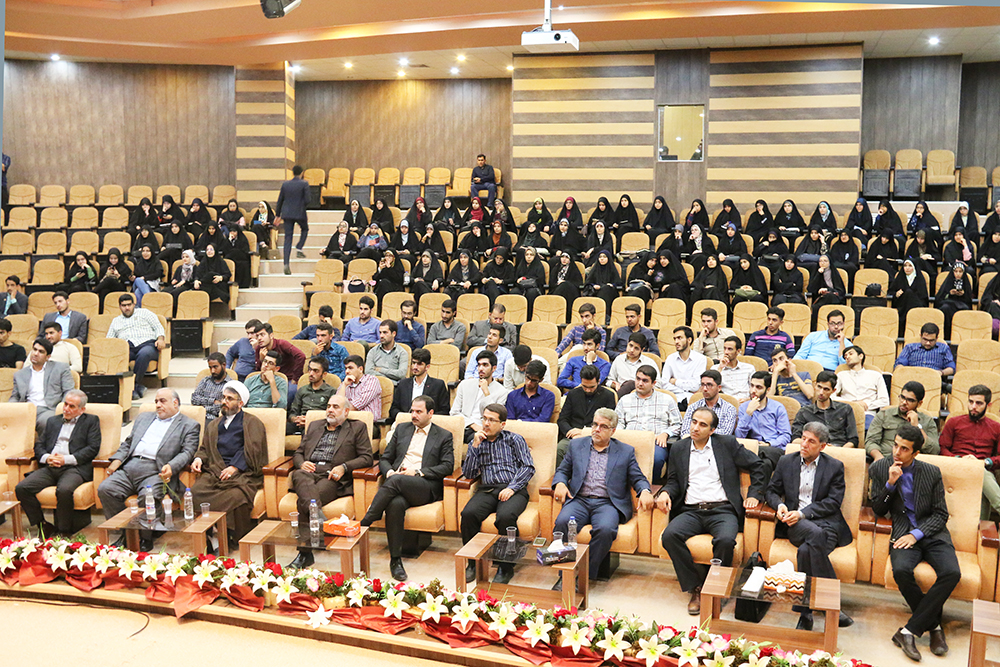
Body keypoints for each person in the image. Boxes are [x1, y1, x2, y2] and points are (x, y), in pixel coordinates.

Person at [658, 407, 765, 615]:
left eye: (702, 425)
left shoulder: (726, 444)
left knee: (725, 541)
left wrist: (754, 494)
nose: (695, 428)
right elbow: (673, 481)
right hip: (691, 510)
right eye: (694, 422)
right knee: (669, 536)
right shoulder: (679, 448)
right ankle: (696, 587)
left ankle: (718, 589)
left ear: (712, 430)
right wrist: (665, 492)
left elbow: (758, 465)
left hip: (722, 510)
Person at [870, 424, 957, 661]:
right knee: (901, 570)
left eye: (904, 449)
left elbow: (940, 514)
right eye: (895, 445)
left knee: (951, 573)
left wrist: (917, 534)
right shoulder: (880, 468)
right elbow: (878, 509)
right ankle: (934, 626)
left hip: (932, 533)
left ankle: (909, 631)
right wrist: (890, 484)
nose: (896, 452)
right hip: (901, 530)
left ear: (916, 453)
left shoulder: (931, 472)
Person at [766, 421, 855, 630]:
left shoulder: (834, 466)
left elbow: (833, 502)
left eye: (811, 441)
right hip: (795, 524)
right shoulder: (786, 461)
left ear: (822, 446)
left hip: (827, 523)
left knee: (807, 550)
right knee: (814, 535)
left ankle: (805, 612)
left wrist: (803, 513)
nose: (804, 444)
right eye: (803, 438)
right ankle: (832, 605)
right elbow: (771, 491)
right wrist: (780, 505)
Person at [360, 395, 454, 581]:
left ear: (430, 413)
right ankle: (395, 560)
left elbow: (447, 466)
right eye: (412, 411)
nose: (414, 415)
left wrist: (417, 472)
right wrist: (389, 472)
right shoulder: (402, 429)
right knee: (395, 504)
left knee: (396, 481)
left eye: (419, 411)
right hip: (397, 483)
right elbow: (385, 458)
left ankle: (369, 518)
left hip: (425, 486)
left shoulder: (444, 435)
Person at [553, 407, 653, 579]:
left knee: (605, 530)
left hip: (607, 503)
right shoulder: (576, 445)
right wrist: (560, 483)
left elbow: (638, 478)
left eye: (603, 426)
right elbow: (563, 470)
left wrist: (644, 490)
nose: (597, 429)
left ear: (613, 430)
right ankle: (565, 576)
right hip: (579, 500)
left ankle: (583, 576)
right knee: (562, 523)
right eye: (594, 424)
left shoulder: (625, 451)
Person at [97, 389, 200, 551]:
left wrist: (171, 466)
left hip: (156, 470)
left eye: (162, 401)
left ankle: (145, 537)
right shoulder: (144, 418)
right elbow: (128, 442)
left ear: (175, 403)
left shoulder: (189, 425)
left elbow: (187, 452)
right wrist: (116, 460)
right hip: (130, 466)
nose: (158, 405)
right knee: (106, 489)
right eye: (156, 401)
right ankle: (126, 533)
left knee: (148, 496)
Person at [287, 395, 373, 568]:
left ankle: (304, 554)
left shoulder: (357, 427)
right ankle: (319, 518)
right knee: (299, 475)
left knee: (304, 500)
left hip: (331, 476)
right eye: (328, 406)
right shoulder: (314, 426)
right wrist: (302, 463)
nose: (330, 410)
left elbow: (367, 457)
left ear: (346, 411)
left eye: (335, 407)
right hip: (308, 472)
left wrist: (344, 467)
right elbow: (298, 453)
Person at [459, 403, 534, 584]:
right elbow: (468, 473)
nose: (486, 423)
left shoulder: (514, 439)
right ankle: (472, 562)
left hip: (514, 489)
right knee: (468, 514)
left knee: (505, 517)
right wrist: (474, 447)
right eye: (484, 419)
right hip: (487, 489)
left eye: (492, 420)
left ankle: (505, 567)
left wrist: (512, 487)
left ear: (502, 424)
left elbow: (528, 467)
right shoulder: (477, 442)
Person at [190, 381, 269, 549]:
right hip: (215, 470)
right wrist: (199, 459)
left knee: (236, 496)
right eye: (223, 398)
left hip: (242, 472)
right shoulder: (214, 424)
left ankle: (231, 536)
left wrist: (235, 467)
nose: (224, 402)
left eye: (230, 399)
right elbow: (204, 448)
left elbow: (253, 449)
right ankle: (208, 534)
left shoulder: (252, 423)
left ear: (240, 403)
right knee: (195, 492)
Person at [15, 389, 101, 537]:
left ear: (82, 410)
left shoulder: (91, 421)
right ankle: (42, 525)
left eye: (72, 406)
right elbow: (39, 445)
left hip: (74, 468)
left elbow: (92, 448)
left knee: (64, 490)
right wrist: (47, 457)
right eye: (65, 404)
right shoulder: (52, 421)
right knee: (22, 488)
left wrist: (66, 459)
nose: (66, 409)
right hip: (51, 466)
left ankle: (64, 531)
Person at [939, 384, 1000, 518]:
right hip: (956, 466)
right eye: (971, 402)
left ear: (988, 405)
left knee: (981, 474)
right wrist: (959, 460)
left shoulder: (996, 427)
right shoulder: (954, 422)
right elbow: (943, 448)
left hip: (981, 468)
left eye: (979, 403)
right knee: (982, 475)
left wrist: (985, 462)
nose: (973, 407)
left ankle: (979, 527)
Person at [615, 364, 681, 483]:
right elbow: (617, 423)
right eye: (638, 379)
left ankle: (651, 486)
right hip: (629, 441)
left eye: (645, 381)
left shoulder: (667, 400)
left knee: (656, 459)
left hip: (655, 442)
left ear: (653, 383)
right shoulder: (625, 400)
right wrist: (622, 436)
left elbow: (678, 424)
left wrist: (666, 433)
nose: (640, 383)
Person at [10, 337, 75, 434]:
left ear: (48, 356)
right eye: (34, 349)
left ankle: (43, 444)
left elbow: (69, 391)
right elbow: (15, 396)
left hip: (49, 409)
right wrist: (9, 408)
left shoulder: (60, 368)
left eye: (41, 352)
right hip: (26, 409)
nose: (35, 354)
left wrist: (62, 408)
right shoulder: (20, 374)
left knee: (47, 421)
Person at [557, 364, 618, 466]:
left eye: (592, 387)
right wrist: (571, 432)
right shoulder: (573, 394)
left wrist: (584, 432)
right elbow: (562, 419)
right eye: (584, 386)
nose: (588, 390)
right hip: (573, 436)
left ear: (599, 381)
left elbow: (609, 423)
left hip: (597, 436)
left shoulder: (608, 396)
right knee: (560, 449)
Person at [866, 380, 940, 461]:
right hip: (886, 459)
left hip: (914, 463)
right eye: (902, 397)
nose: (904, 402)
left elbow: (934, 450)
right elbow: (870, 442)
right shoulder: (883, 415)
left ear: (919, 403)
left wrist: (917, 427)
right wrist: (878, 457)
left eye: (910, 400)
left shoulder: (928, 421)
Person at [737, 371, 791, 480]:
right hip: (753, 450)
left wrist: (769, 444)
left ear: (768, 389)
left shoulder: (778, 408)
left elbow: (786, 436)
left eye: (758, 387)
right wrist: (748, 414)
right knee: (765, 464)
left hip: (774, 449)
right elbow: (739, 437)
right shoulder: (744, 408)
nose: (753, 390)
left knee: (762, 454)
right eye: (752, 386)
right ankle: (761, 491)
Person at [451, 350, 507, 442]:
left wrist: (486, 393)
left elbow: (494, 416)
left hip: (484, 429)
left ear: (494, 368)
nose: (481, 368)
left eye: (485, 365)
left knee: (479, 438)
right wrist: (472, 425)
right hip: (462, 426)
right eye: (479, 365)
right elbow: (454, 412)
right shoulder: (464, 384)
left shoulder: (502, 392)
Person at [791, 370, 858, 447]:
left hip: (839, 448)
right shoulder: (804, 412)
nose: (821, 392)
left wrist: (840, 451)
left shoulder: (845, 409)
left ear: (833, 391)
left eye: (826, 389)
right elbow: (795, 439)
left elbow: (853, 439)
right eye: (819, 387)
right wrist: (817, 446)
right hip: (813, 449)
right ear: (815, 386)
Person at [389, 347, 449, 422]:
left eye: (419, 364)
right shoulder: (403, 384)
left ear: (427, 367)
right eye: (413, 363)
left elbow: (444, 410)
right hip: (405, 422)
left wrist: (426, 418)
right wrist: (405, 418)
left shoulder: (438, 385)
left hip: (428, 423)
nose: (415, 367)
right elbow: (393, 409)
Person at [835, 345, 889, 428]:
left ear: (860, 356)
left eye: (850, 354)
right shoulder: (841, 375)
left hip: (867, 413)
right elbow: (832, 396)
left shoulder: (875, 375)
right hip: (845, 412)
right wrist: (853, 404)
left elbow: (884, 400)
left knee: (869, 428)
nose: (847, 357)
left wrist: (865, 405)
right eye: (845, 356)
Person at [660, 326, 708, 407]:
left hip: (692, 401)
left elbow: (695, 385)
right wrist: (684, 391)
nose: (676, 342)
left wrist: (675, 382)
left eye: (679, 338)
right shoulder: (670, 358)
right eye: (675, 339)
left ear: (689, 340)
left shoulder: (700, 359)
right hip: (673, 399)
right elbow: (664, 384)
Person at [275, 165, 311, 274]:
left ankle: (286, 263)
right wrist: (302, 205)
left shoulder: (285, 184)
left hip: (287, 214)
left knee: (288, 238)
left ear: (292, 172)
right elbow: (308, 200)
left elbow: (280, 200)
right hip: (299, 212)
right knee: (305, 229)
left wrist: (278, 214)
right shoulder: (304, 183)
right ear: (302, 173)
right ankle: (299, 247)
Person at [680, 370, 738, 437]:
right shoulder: (693, 407)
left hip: (716, 443)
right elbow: (685, 432)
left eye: (709, 385)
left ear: (719, 388)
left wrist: (699, 431)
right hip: (693, 442)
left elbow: (725, 434)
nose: (705, 389)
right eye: (703, 385)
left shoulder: (729, 409)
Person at [287, 356, 336, 435]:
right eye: (310, 370)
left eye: (315, 371)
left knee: (308, 432)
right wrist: (296, 419)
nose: (311, 373)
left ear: (324, 374)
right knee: (279, 428)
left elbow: (331, 415)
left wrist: (309, 420)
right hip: (299, 423)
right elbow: (293, 412)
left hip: (318, 424)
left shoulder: (331, 392)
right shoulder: (302, 390)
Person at [251, 321, 305, 386]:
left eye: (262, 335)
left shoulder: (282, 344)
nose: (259, 338)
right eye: (257, 336)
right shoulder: (259, 348)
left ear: (271, 336)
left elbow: (301, 356)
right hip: (267, 380)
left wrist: (295, 378)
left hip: (288, 379)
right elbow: (259, 371)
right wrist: (261, 360)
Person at [338, 355, 382, 420]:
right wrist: (344, 385)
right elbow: (337, 402)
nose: (347, 371)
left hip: (366, 421)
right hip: (346, 419)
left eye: (350, 368)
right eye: (346, 368)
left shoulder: (371, 380)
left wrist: (339, 411)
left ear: (361, 369)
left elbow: (358, 404)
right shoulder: (345, 382)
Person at [191, 353, 230, 424]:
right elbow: (194, 399)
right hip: (198, 418)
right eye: (210, 367)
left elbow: (223, 407)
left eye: (215, 367)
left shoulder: (230, 384)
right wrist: (213, 401)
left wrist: (203, 408)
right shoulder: (205, 381)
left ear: (223, 365)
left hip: (215, 420)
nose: (212, 371)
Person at [714, 336, 753, 401]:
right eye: (725, 348)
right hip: (725, 402)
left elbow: (755, 389)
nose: (726, 352)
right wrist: (720, 368)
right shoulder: (716, 368)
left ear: (738, 351)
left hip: (745, 402)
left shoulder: (749, 368)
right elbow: (711, 388)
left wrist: (747, 400)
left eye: (730, 349)